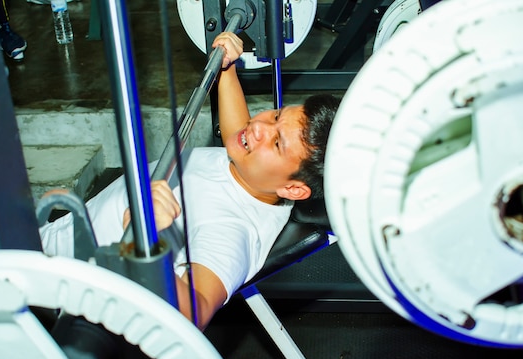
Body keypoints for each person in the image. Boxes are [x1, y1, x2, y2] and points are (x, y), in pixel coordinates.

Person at [39, 32, 340, 330]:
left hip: (48, 291)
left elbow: (194, 313)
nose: (260, 126)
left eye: (277, 143)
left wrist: (150, 242)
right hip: (52, 238)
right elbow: (240, 129)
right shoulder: (253, 172)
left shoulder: (231, 230)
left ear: (293, 189)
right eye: (276, 116)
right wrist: (227, 69)